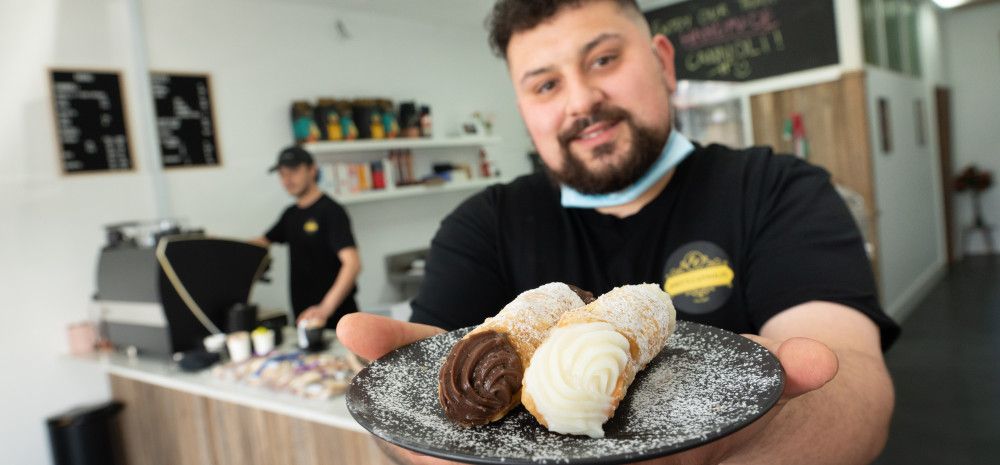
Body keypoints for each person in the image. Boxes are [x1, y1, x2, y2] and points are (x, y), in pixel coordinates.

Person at [337, 1, 900, 464]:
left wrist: (748, 440)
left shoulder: (778, 190)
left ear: (662, 61)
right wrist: (420, 442)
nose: (581, 101)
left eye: (604, 59)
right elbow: (416, 423)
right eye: (545, 85)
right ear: (524, 110)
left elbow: (855, 391)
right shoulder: (482, 224)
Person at [253, 146, 361, 330]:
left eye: (293, 171)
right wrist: (217, 244)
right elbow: (261, 242)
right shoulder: (290, 214)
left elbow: (352, 264)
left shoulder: (331, 211)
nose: (287, 179)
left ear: (312, 170)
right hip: (303, 314)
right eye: (282, 174)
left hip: (337, 317)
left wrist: (325, 308)